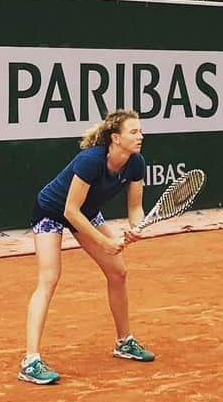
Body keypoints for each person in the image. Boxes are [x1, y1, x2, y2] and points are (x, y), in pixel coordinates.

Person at [20, 109, 154, 385]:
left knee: (118, 272)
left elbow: (135, 208)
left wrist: (135, 229)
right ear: (116, 138)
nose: (140, 136)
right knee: (49, 278)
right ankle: (30, 361)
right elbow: (70, 211)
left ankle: (124, 342)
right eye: (134, 131)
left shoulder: (136, 163)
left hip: (87, 211)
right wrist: (106, 241)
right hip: (52, 211)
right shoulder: (90, 161)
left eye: (140, 131)